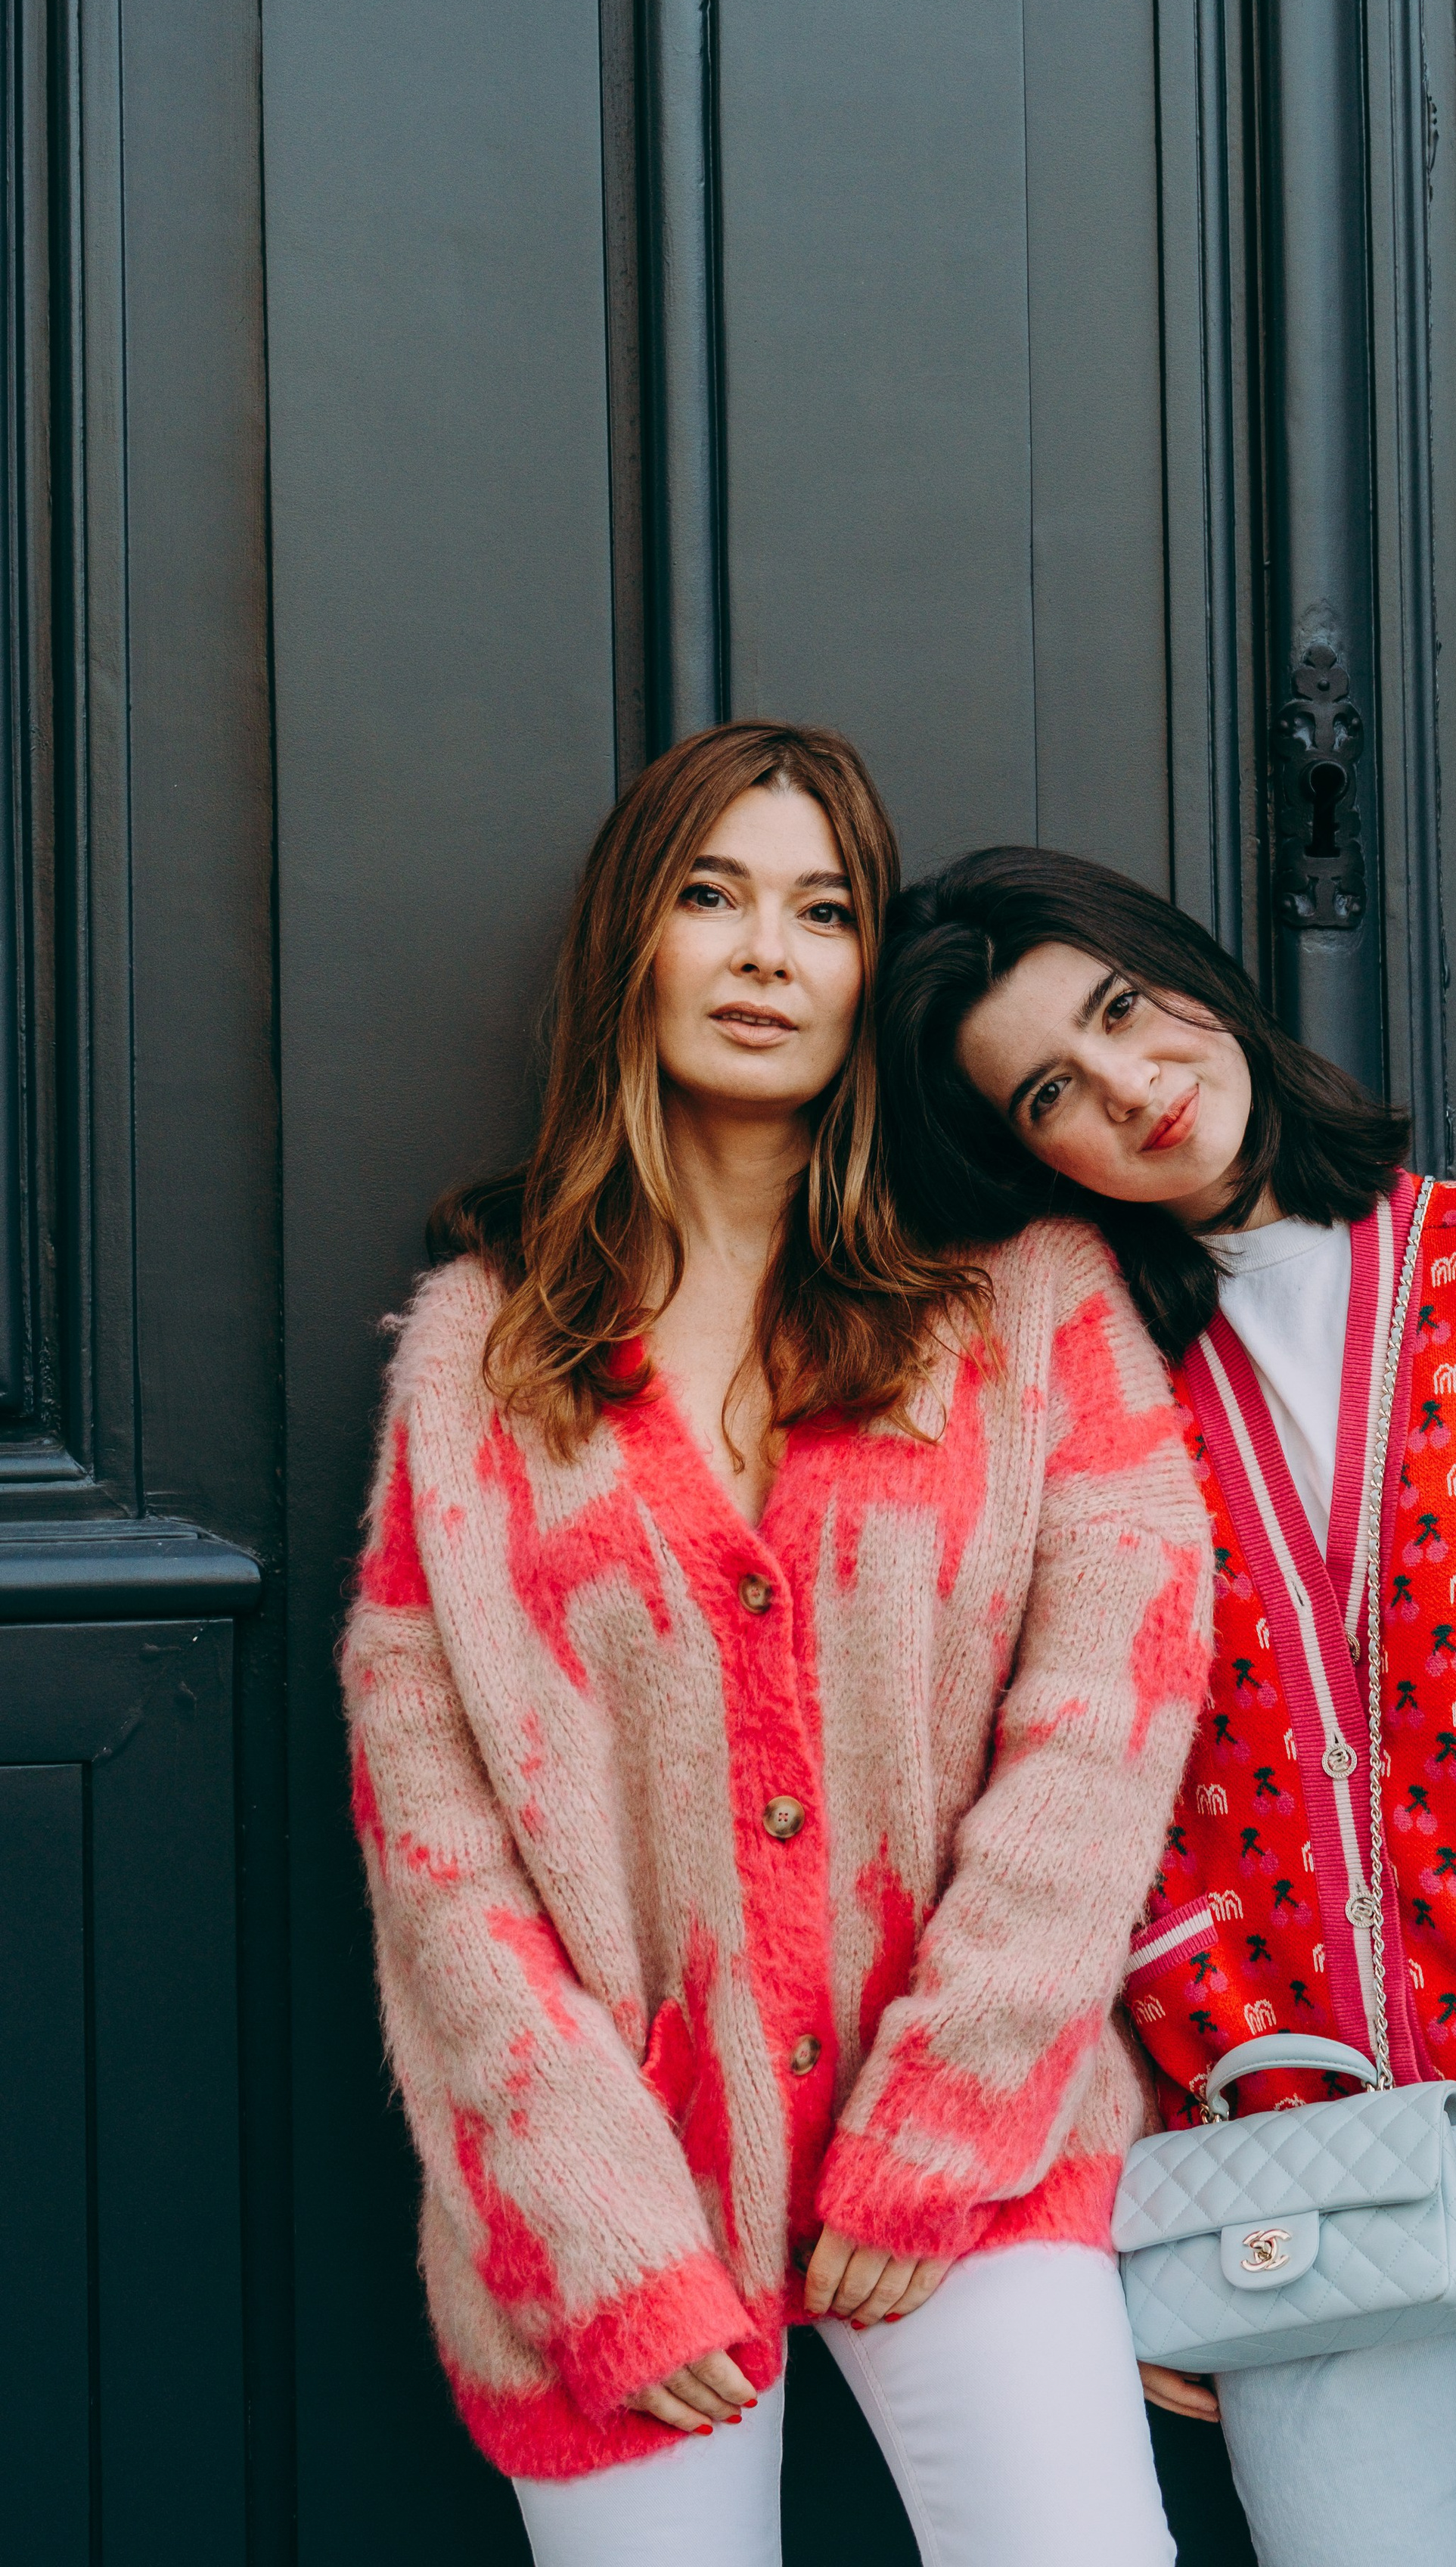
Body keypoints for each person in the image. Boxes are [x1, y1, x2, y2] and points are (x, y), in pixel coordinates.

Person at [877, 845, 1456, 2567]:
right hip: (1289, 2175)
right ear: (1021, 1152)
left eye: (1119, 1008)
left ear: (1184, 970)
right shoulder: (1075, 1382)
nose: (1130, 1088)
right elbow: (1045, 1785)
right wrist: (1147, 2158)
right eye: (1050, 1091)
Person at [340, 732, 1214, 2567]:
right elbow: (436, 1843)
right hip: (625, 2189)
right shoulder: (478, 1355)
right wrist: (592, 2222)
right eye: (710, 898)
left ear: (863, 970)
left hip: (975, 2153)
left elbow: (1102, 1735)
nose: (764, 954)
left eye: (822, 912)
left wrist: (945, 2116)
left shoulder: (1030, 1302)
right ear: (630, 947)